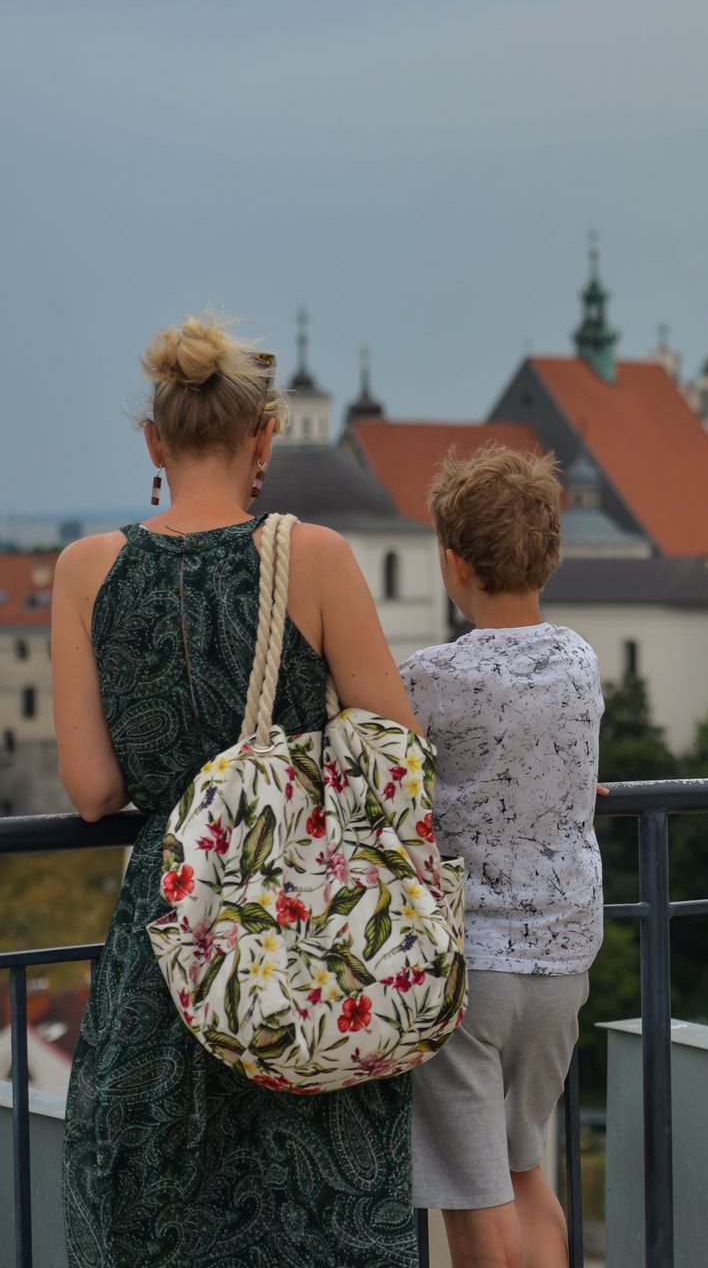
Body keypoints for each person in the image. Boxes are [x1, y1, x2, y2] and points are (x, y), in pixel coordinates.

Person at [53, 314, 424, 1265]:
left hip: (169, 949)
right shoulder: (319, 556)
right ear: (265, 437)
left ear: (154, 441)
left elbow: (92, 788)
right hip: (303, 952)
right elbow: (398, 750)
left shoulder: (87, 569)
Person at [400, 446, 603, 1268]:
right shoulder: (581, 660)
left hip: (471, 965)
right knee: (526, 1170)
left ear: (453, 563)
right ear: (549, 552)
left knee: (472, 1194)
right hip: (563, 960)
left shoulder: (429, 677)